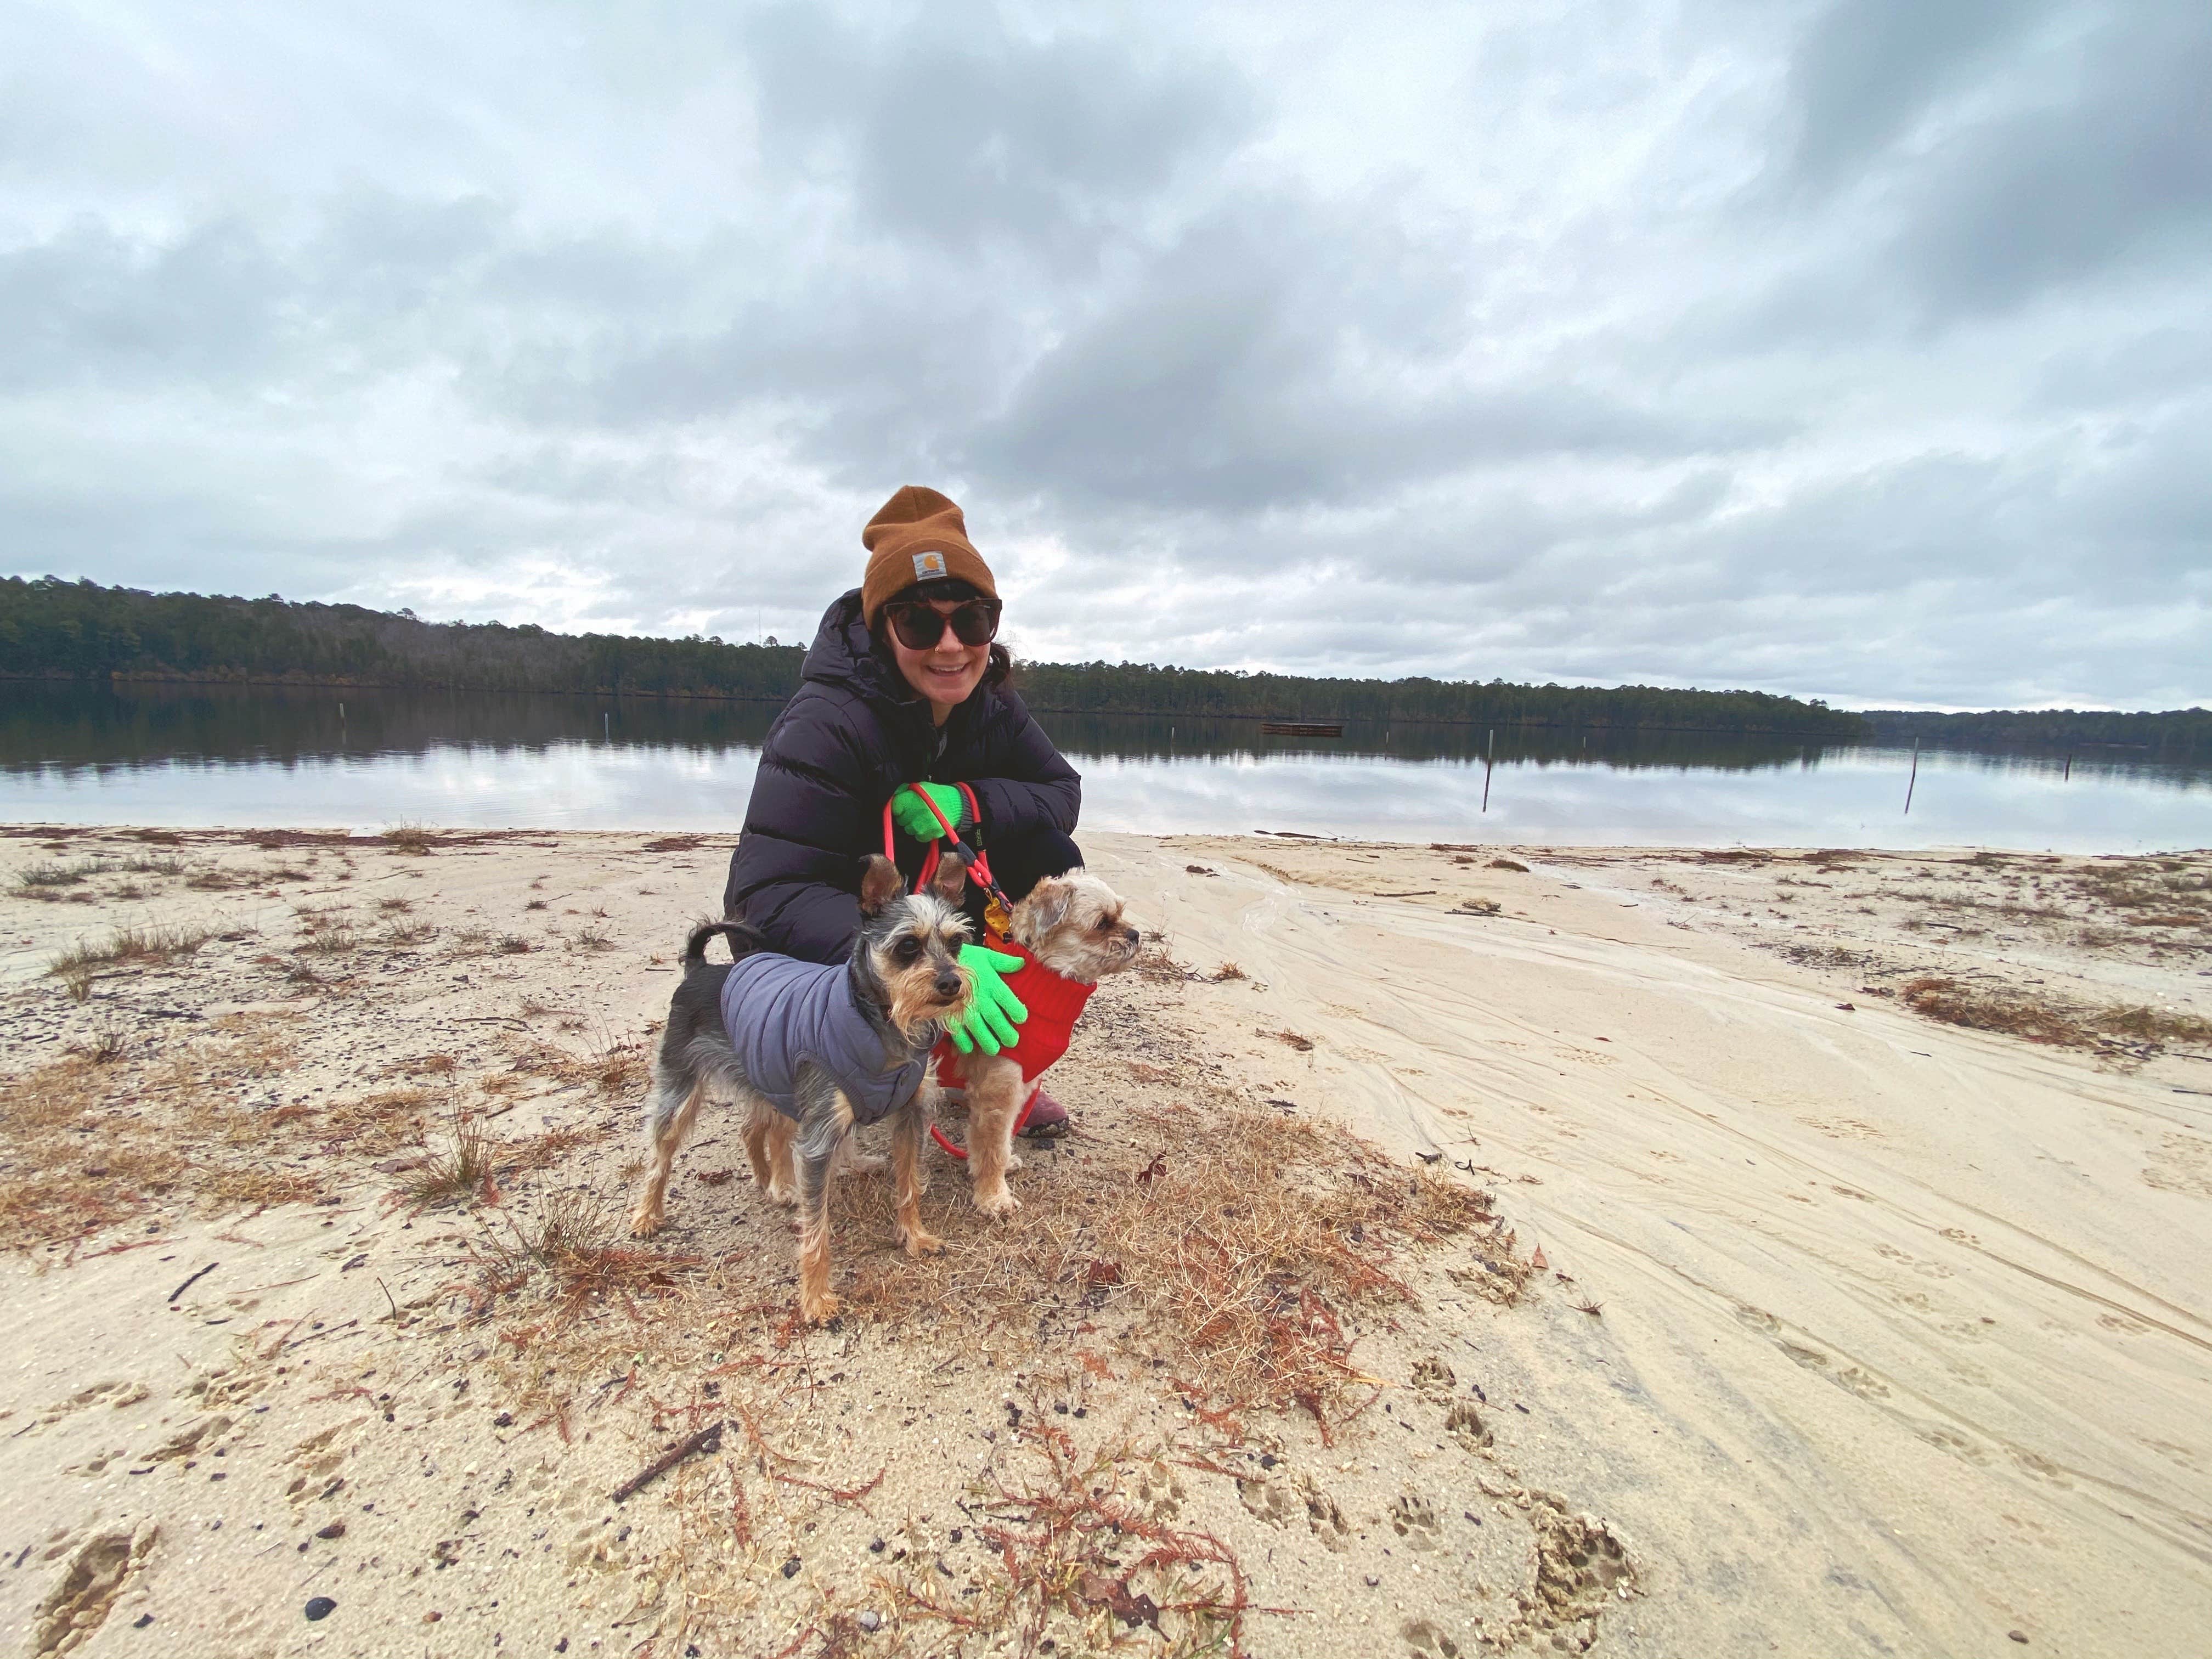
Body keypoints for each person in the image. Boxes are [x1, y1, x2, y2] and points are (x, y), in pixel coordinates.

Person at [722, 486, 1084, 1135]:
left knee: (1052, 858)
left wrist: (971, 803)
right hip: (833, 932)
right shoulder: (825, 722)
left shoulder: (993, 701)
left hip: (930, 907)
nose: (951, 646)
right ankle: (850, 1058)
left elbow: (1062, 793)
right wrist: (915, 958)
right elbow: (766, 894)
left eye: (972, 619)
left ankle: (993, 1064)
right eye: (921, 622)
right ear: (882, 626)